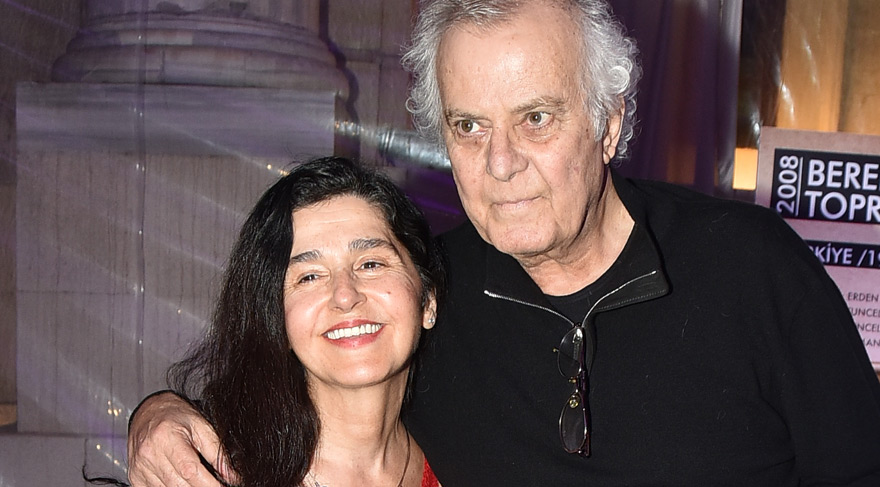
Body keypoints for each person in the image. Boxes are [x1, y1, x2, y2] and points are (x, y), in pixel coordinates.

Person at [126, 1, 880, 485]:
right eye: (469, 126)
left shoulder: (750, 268)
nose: (501, 162)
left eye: (536, 118)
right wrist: (156, 415)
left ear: (610, 123)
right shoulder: (428, 293)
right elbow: (288, 382)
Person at [124, 157, 443, 487]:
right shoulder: (208, 473)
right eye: (309, 277)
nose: (345, 296)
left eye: (371, 264)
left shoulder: (464, 457)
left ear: (428, 300)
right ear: (276, 318)